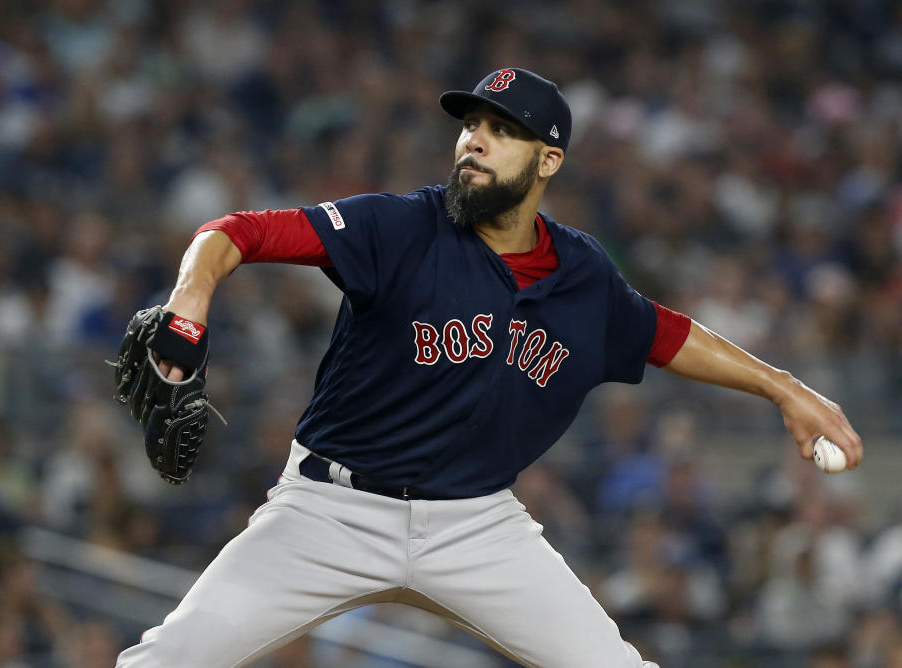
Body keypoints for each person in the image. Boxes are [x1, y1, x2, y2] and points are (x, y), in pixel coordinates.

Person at [115, 68, 863, 668]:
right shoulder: (401, 226)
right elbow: (235, 231)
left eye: (502, 130)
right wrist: (189, 303)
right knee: (170, 658)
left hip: (474, 525)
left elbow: (665, 333)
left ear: (548, 160)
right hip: (327, 512)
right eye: (471, 124)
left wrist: (784, 388)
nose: (474, 140)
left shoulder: (582, 275)